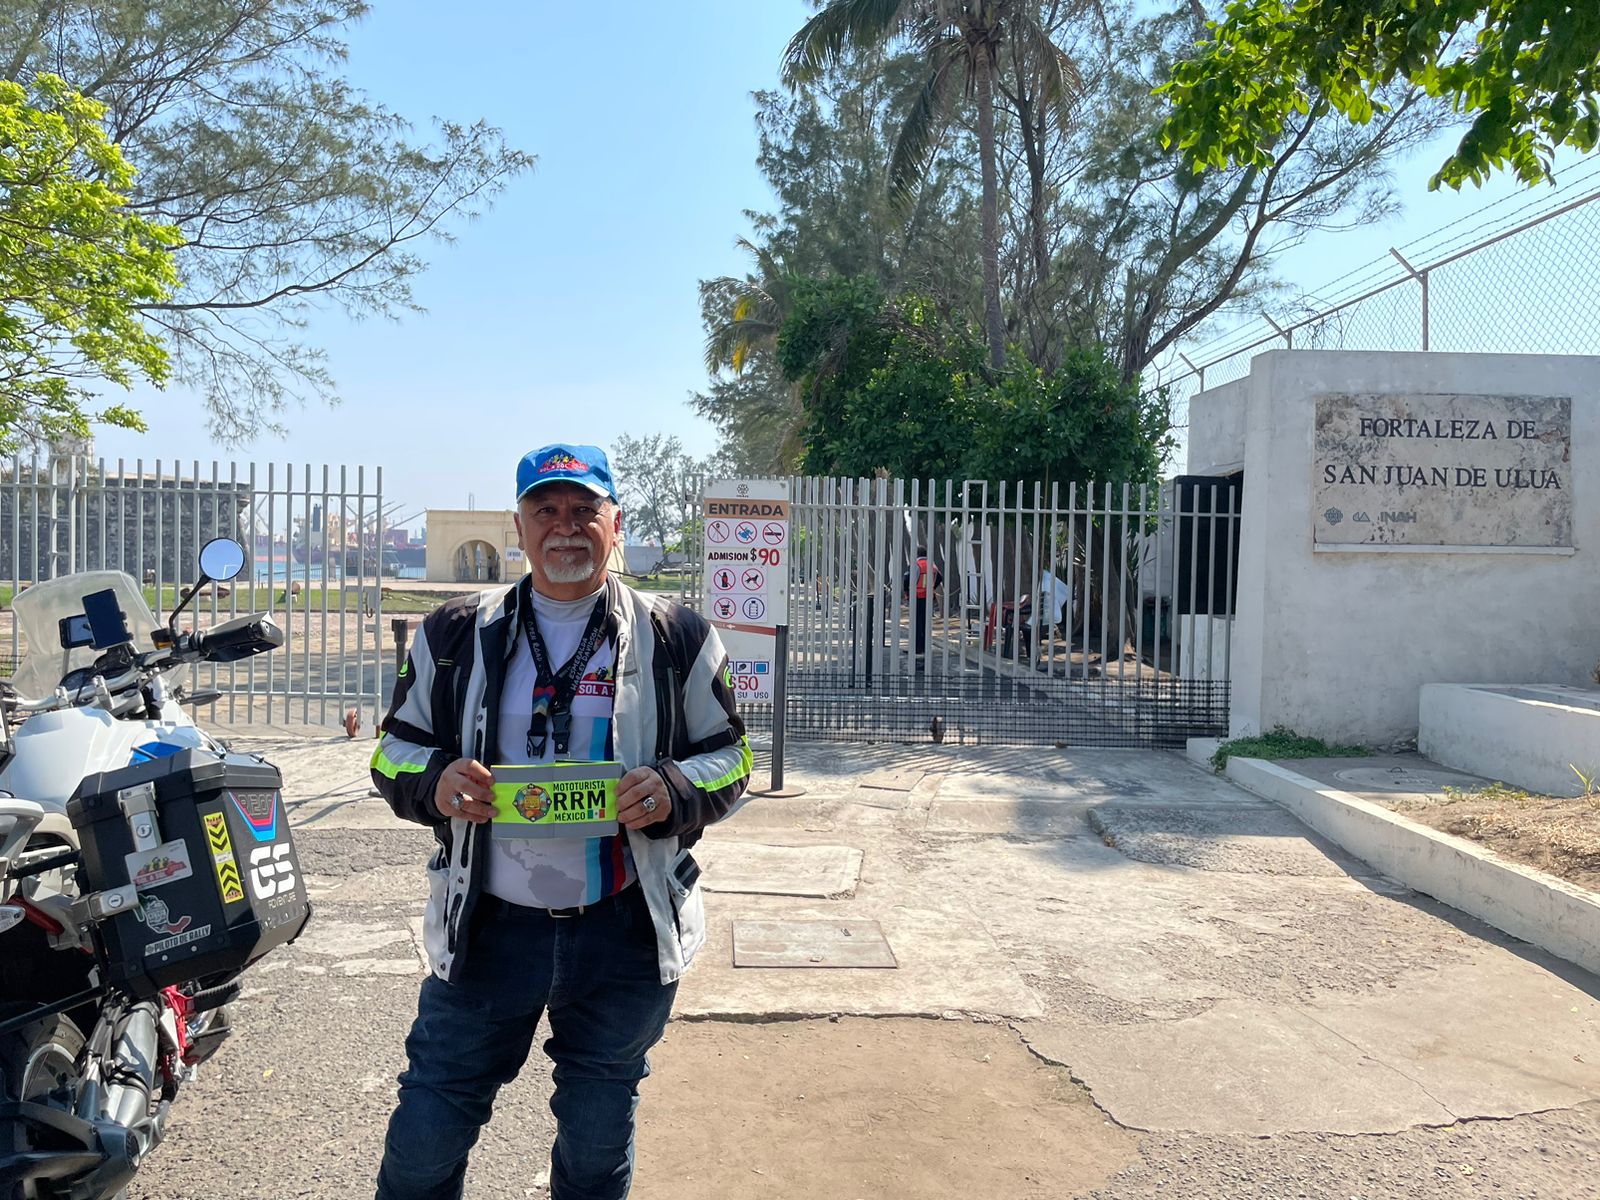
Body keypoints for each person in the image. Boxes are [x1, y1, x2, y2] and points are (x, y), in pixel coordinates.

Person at [368, 442, 752, 1200]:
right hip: (489, 928)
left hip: (623, 931)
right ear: (519, 526)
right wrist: (437, 780)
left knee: (597, 1142)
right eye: (546, 510)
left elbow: (733, 758)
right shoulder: (456, 633)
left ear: (616, 524)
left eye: (585, 511)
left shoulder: (674, 633)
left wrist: (674, 786)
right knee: (425, 1136)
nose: (565, 527)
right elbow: (392, 750)